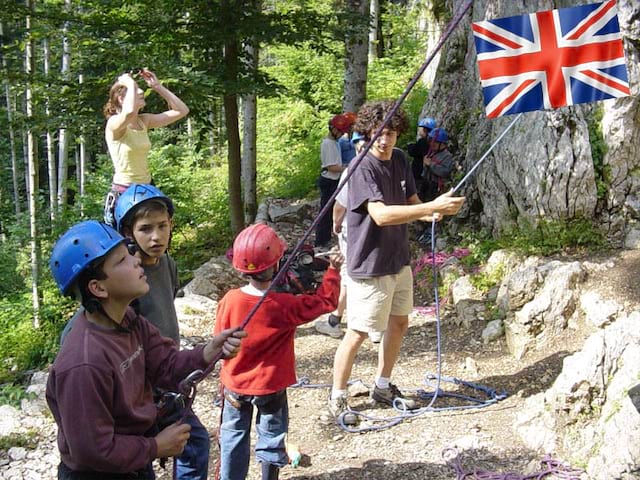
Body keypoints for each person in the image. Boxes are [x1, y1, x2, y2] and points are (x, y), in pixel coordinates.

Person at [46, 220, 245, 479]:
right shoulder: (85, 362)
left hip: (132, 461)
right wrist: (155, 446)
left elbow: (166, 366)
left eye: (129, 253)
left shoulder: (128, 320)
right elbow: (91, 450)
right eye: (121, 261)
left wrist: (209, 351)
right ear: (98, 288)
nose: (136, 260)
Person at [328, 100, 465, 425]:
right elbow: (382, 214)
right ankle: (337, 395)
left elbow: (412, 202)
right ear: (367, 134)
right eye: (377, 133)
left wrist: (437, 210)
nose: (384, 140)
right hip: (369, 263)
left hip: (399, 259)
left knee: (400, 323)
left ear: (398, 133)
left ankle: (383, 385)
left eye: (390, 133)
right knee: (359, 332)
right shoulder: (361, 166)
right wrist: (428, 207)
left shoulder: (401, 160)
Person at [215, 223, 342, 480]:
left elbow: (219, 342)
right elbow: (326, 302)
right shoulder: (283, 305)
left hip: (235, 386)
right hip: (270, 386)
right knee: (272, 438)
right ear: (276, 263)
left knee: (232, 437)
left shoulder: (229, 300)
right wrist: (334, 270)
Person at [113, 183, 210, 480]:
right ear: (129, 233)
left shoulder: (168, 264)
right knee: (143, 462)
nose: (156, 237)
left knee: (194, 444)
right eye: (145, 229)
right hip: (143, 384)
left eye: (162, 226)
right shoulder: (129, 279)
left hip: (168, 375)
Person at [314, 132, 382, 343]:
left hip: (353, 231)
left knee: (348, 274)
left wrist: (336, 226)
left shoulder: (352, 170)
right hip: (380, 230)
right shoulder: (385, 167)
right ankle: (376, 327)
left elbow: (340, 205)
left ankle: (336, 321)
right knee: (377, 273)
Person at [103, 68, 189, 227]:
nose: (142, 91)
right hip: (124, 192)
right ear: (122, 98)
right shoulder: (114, 123)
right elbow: (128, 113)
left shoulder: (144, 121)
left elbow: (181, 110)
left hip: (147, 189)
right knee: (128, 245)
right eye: (136, 90)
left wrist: (157, 86)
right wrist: (128, 81)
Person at [315, 114, 351, 249]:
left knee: (330, 210)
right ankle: (321, 241)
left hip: (333, 180)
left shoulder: (334, 143)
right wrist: (347, 168)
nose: (342, 135)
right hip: (329, 180)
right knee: (325, 211)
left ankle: (326, 238)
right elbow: (332, 167)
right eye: (341, 132)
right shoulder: (328, 144)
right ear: (334, 130)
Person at [406, 117, 437, 198]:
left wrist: (410, 146)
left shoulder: (423, 141)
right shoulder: (433, 142)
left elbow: (413, 151)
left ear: (424, 129)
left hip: (419, 172)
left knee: (417, 192)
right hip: (428, 174)